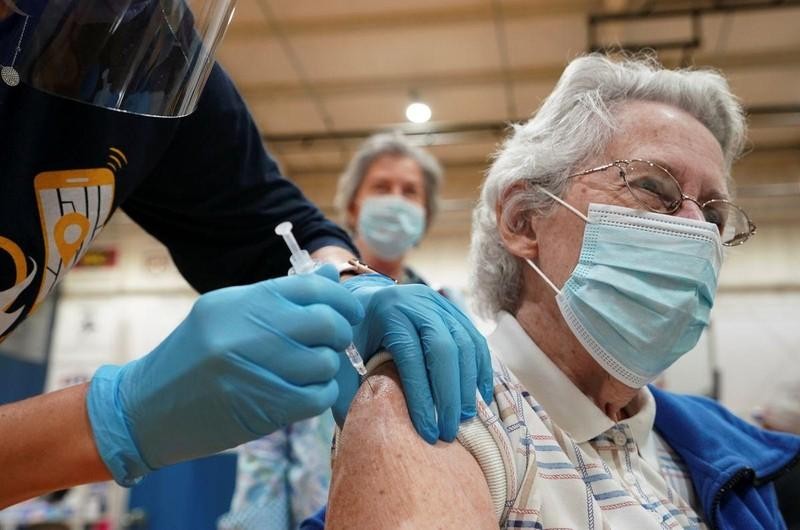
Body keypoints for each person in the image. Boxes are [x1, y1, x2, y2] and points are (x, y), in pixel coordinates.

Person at [0, 0, 493, 508]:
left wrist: (351, 281)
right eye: (382, 187)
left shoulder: (131, 35)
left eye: (410, 192)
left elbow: (263, 217)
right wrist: (114, 417)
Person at [322, 54, 800, 529]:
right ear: (524, 219)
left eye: (715, 218)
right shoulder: (445, 407)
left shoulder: (718, 449)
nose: (697, 232)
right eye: (653, 187)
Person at [222, 132, 455, 529]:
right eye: (382, 187)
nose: (396, 200)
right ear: (353, 206)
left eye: (410, 191)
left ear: (425, 216)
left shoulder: (446, 314)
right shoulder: (306, 307)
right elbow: (266, 445)